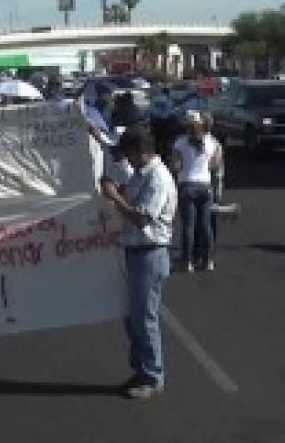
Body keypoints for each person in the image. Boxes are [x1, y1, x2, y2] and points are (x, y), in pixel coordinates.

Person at [100, 125, 177, 400]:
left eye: (129, 154)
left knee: (145, 318)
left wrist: (115, 197)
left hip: (150, 252)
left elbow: (143, 217)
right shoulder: (142, 175)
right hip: (135, 252)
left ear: (141, 151)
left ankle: (153, 377)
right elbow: (129, 196)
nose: (127, 160)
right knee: (133, 318)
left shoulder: (158, 177)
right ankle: (142, 370)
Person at [172, 110, 221, 273]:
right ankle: (208, 261)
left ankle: (187, 262)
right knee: (205, 225)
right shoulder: (212, 142)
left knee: (188, 227)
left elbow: (176, 166)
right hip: (205, 186)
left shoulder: (179, 143)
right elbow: (214, 165)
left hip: (187, 185)